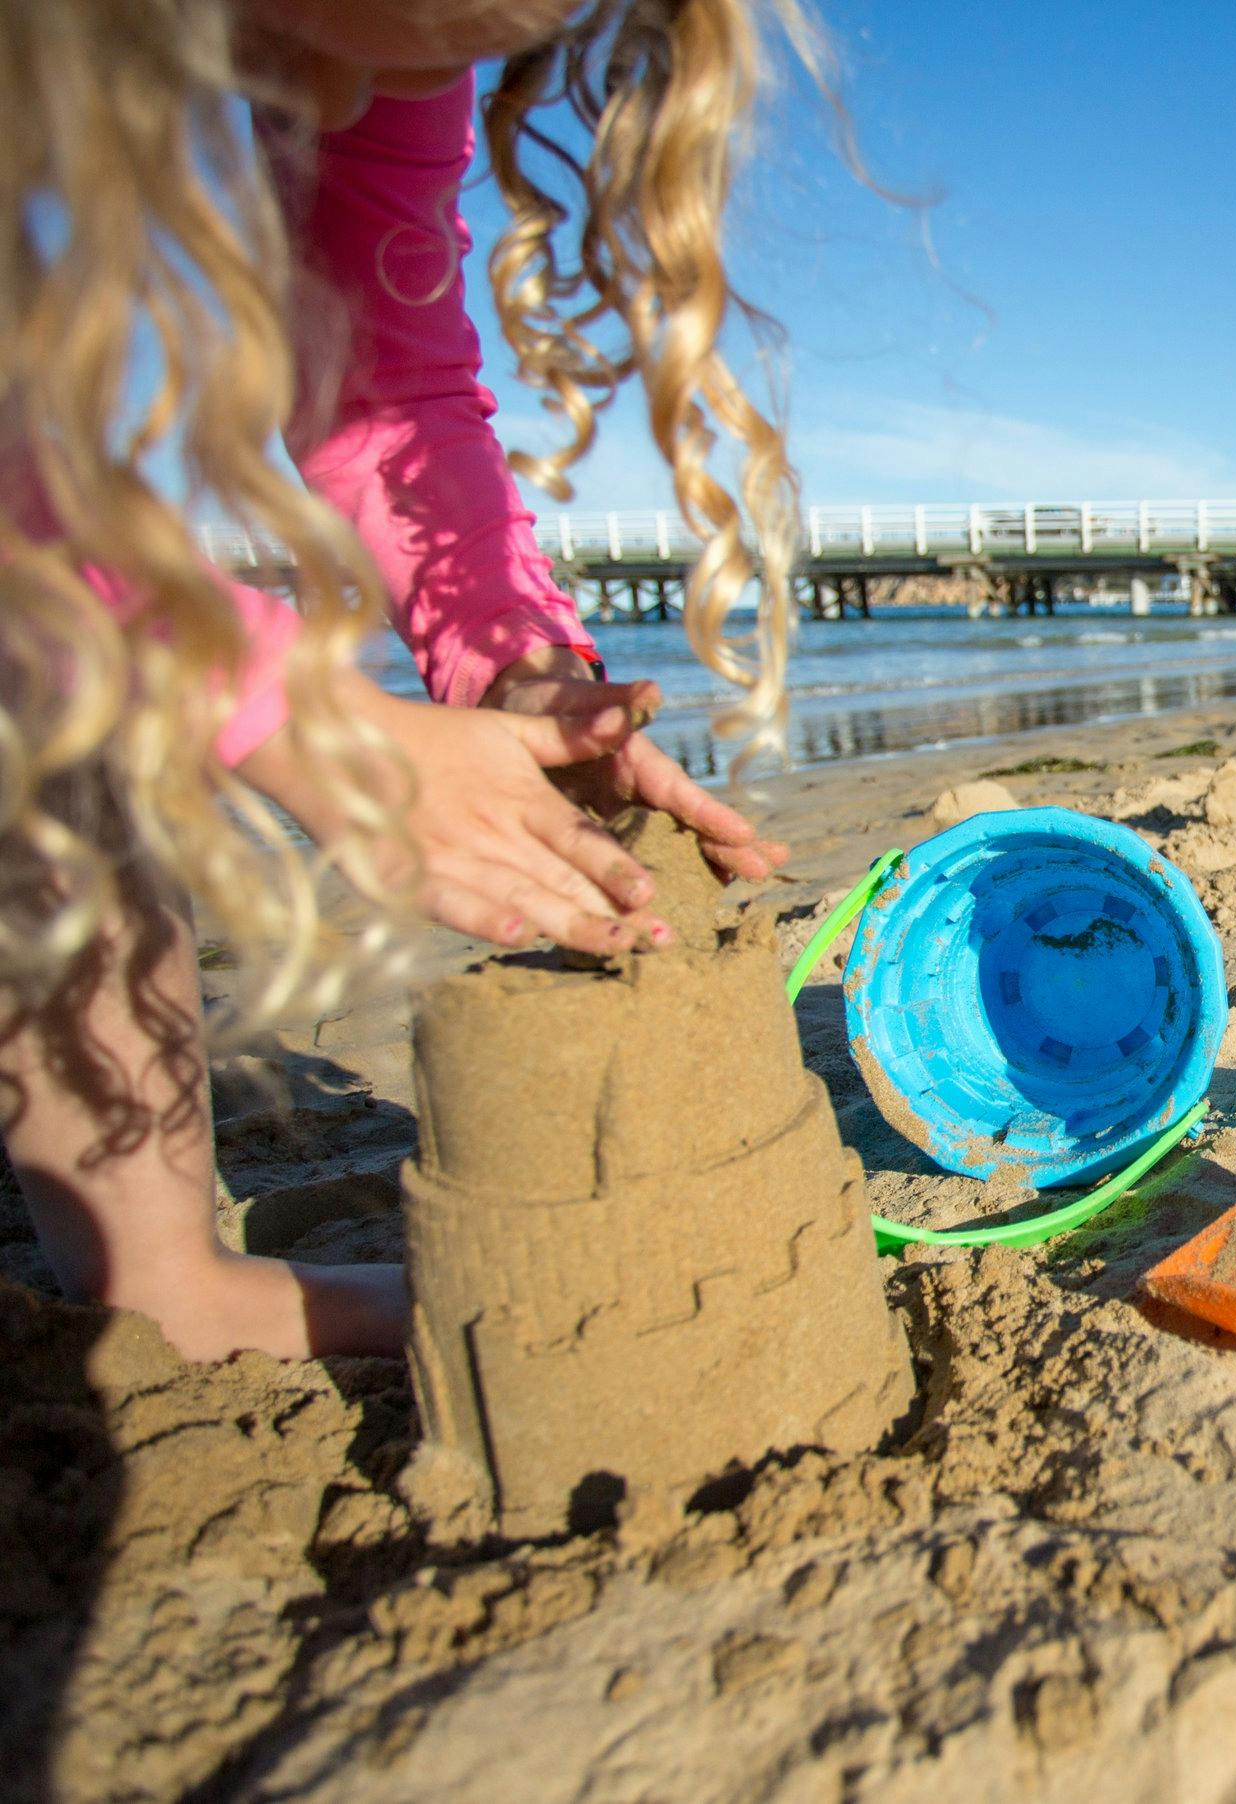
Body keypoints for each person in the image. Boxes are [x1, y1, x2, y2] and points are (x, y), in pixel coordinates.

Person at [0, 0, 823, 1361]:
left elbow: (394, 396)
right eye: (330, 43)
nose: (345, 105)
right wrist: (305, 720)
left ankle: (164, 1285)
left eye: (457, 61)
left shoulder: (383, 51)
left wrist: (513, 661)